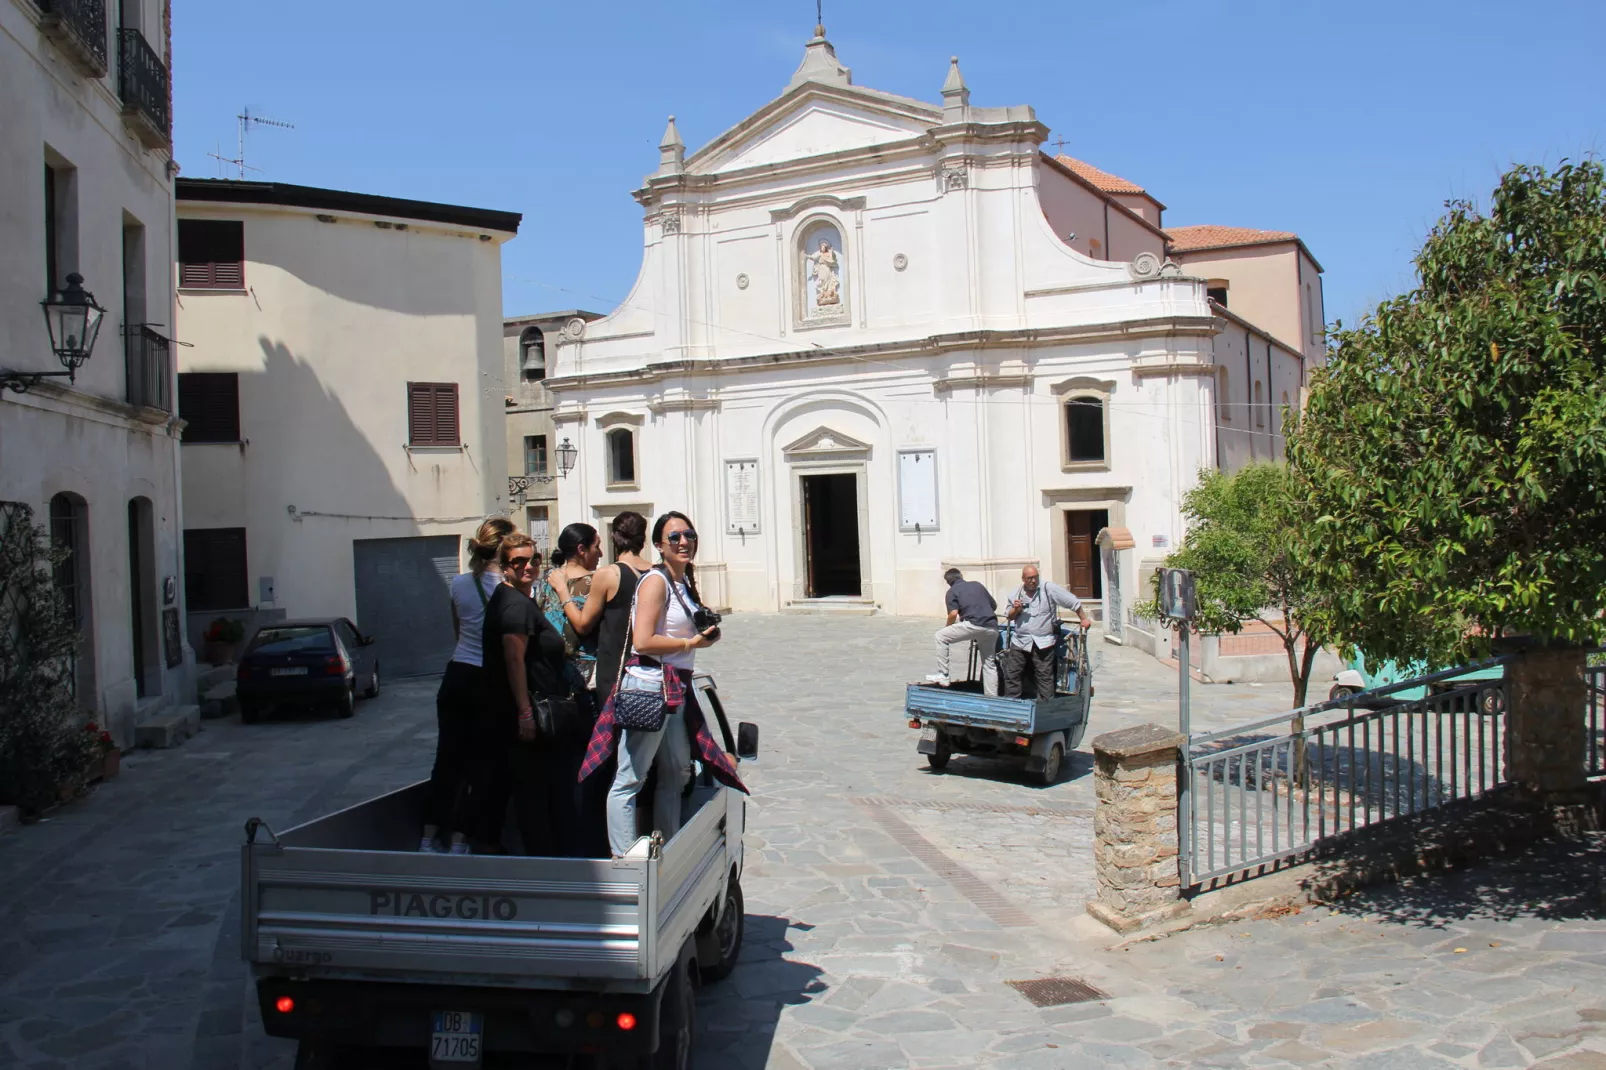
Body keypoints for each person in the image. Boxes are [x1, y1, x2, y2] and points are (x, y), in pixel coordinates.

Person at [580, 511, 747, 857]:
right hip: (651, 688)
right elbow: (643, 641)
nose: (683, 542)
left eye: (689, 534)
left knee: (677, 774)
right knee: (629, 779)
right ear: (659, 545)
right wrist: (690, 645)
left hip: (675, 689)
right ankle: (624, 857)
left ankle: (668, 850)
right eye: (674, 537)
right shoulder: (655, 581)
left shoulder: (682, 582)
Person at [550, 512, 652, 858]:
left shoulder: (608, 575)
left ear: (613, 539)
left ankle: (605, 843)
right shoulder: (654, 574)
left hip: (607, 681)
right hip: (644, 678)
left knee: (605, 766)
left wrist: (563, 589)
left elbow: (581, 624)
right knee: (638, 766)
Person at [420, 516, 514, 855]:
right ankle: (460, 841)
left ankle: (428, 839)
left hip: (456, 674)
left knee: (446, 761)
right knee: (481, 767)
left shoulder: (459, 584)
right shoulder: (508, 587)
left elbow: (458, 631)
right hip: (488, 680)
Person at [479, 533, 572, 856]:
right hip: (524, 713)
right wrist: (525, 713)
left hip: (519, 709)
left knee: (525, 788)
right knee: (532, 793)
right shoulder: (514, 605)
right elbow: (513, 659)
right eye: (518, 562)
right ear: (504, 567)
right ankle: (543, 861)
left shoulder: (519, 598)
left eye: (533, 559)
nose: (528, 566)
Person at [1001, 564, 1094, 699]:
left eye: (1035, 577)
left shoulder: (1048, 588)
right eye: (1029, 578)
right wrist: (1016, 609)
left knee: (1044, 676)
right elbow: (1009, 616)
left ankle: (1045, 708)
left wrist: (1083, 619)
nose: (1033, 581)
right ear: (1023, 579)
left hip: (1043, 641)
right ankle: (1012, 705)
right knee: (1012, 674)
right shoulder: (1016, 592)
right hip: (1021, 640)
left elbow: (1072, 601)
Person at [538, 523, 602, 689]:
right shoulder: (595, 582)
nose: (600, 553)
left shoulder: (548, 578)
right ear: (582, 549)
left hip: (551, 670)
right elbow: (584, 627)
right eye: (597, 546)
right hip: (586, 674)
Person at [927, 568, 1000, 694]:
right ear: (961, 576)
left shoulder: (951, 591)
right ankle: (992, 698)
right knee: (989, 664)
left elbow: (953, 614)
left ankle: (943, 674)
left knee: (940, 636)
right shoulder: (977, 585)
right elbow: (993, 605)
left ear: (948, 582)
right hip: (992, 626)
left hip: (973, 624)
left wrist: (947, 628)